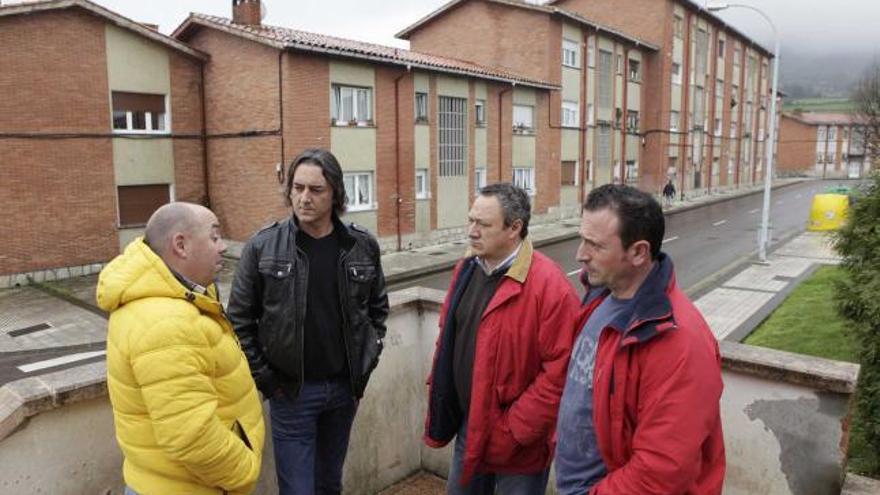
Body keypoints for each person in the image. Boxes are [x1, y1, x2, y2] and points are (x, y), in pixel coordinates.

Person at [227, 148, 389, 495]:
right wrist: (269, 381)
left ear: (335, 194)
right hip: (292, 393)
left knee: (330, 484)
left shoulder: (361, 246)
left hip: (345, 391)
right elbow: (238, 321)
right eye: (298, 188)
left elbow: (377, 311)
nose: (304, 198)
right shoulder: (263, 246)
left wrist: (365, 364)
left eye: (316, 190)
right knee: (298, 489)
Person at [555, 184, 725, 494]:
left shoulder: (679, 341)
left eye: (595, 245)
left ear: (638, 252)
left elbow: (660, 471)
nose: (580, 255)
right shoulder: (602, 297)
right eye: (582, 240)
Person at [98, 202, 265, 495]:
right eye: (214, 237)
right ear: (181, 245)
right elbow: (191, 436)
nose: (223, 246)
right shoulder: (167, 324)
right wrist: (245, 472)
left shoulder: (177, 300)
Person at [424, 183, 580, 494]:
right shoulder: (467, 268)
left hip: (519, 443)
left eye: (483, 224)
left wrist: (512, 431)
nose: (471, 231)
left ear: (514, 228)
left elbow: (560, 372)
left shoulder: (551, 287)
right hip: (470, 427)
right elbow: (450, 339)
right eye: (471, 220)